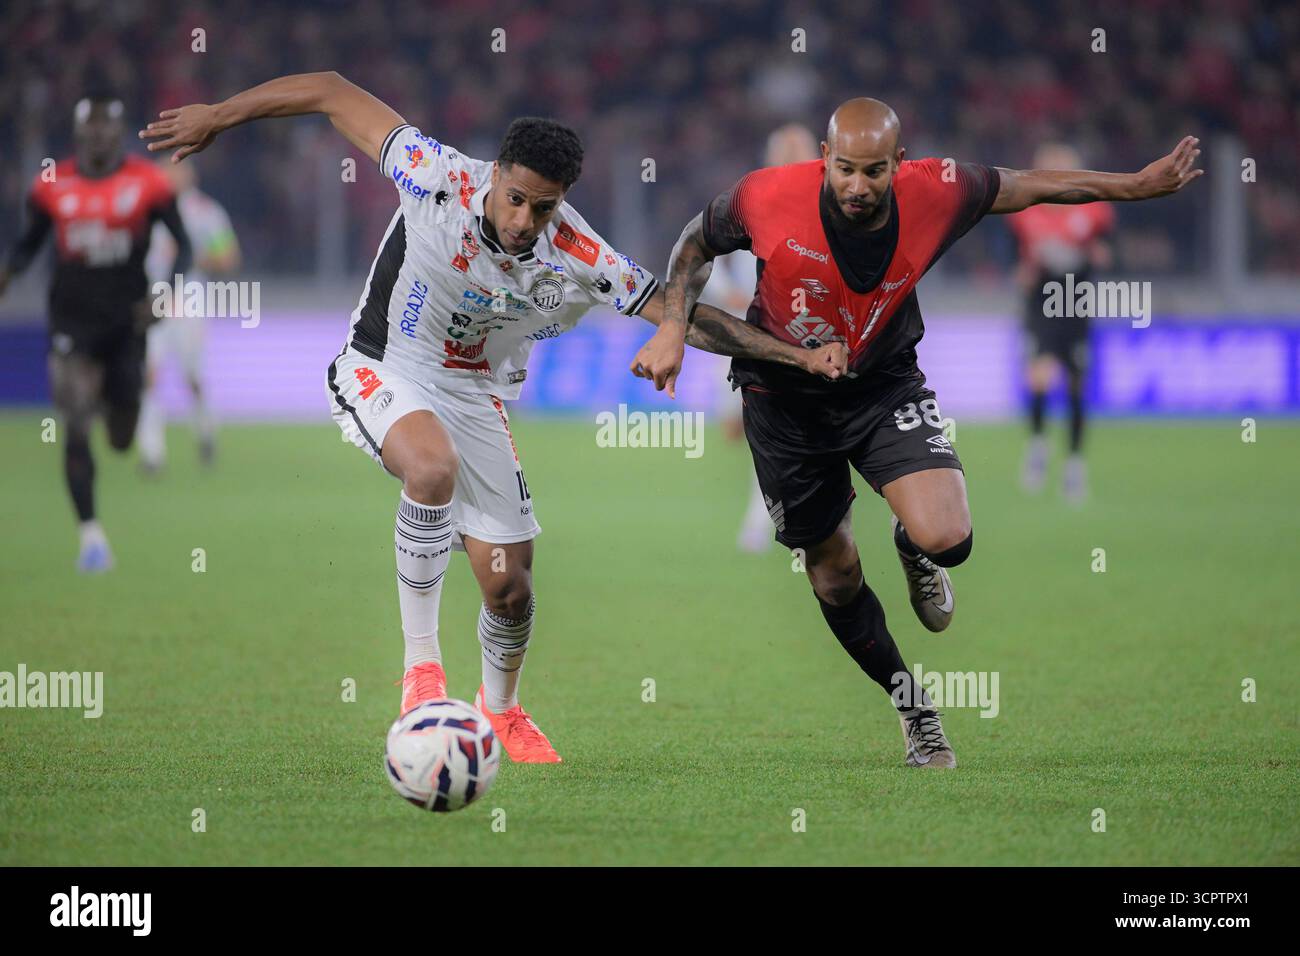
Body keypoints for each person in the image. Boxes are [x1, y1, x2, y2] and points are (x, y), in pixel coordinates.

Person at [139, 71, 844, 763]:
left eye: (543, 209)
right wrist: (219, 116)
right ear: (495, 173)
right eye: (514, 200)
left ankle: (501, 711)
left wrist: (794, 356)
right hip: (384, 364)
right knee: (430, 467)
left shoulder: (576, 252)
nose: (522, 222)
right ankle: (421, 674)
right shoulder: (435, 173)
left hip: (477, 396)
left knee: (509, 587)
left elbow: (674, 307)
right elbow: (328, 89)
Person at [657, 98, 1201, 768]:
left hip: (882, 383)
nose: (859, 186)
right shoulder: (766, 196)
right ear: (825, 160)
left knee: (949, 538)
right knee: (834, 578)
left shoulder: (937, 192)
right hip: (784, 402)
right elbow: (693, 244)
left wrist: (1136, 186)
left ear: (900, 165)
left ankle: (911, 541)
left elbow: (1030, 185)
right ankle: (914, 710)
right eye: (846, 170)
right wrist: (672, 324)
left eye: (875, 171)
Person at [0, 94, 191, 573]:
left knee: (122, 436)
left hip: (128, 323)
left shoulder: (148, 184)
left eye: (109, 127)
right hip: (71, 321)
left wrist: (163, 294)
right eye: (92, 127)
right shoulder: (49, 185)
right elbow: (29, 243)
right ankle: (91, 538)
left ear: (120, 131)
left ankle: (115, 404)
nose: (100, 135)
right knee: (76, 421)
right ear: (79, 132)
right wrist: (9, 273)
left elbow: (183, 248)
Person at [699, 123, 821, 553]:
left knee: (771, 427)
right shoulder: (749, 204)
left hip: (798, 342)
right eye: (783, 153)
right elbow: (709, 256)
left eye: (799, 153)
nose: (791, 161)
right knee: (736, 429)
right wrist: (726, 294)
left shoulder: (827, 208)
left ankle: (763, 519)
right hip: (740, 337)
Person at [1007, 144, 1114, 503]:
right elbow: (1014, 258)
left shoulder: (1094, 212)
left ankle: (1074, 465)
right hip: (1039, 306)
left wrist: (1094, 256)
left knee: (1076, 386)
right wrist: (1024, 270)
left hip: (1075, 305)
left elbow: (1109, 252)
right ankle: (1038, 447)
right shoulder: (1025, 213)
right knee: (1038, 377)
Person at [138, 158, 241, 473]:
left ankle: (206, 428)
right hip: (153, 297)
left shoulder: (206, 212)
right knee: (149, 374)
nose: (170, 175)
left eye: (176, 168)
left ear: (189, 173)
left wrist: (191, 256)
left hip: (189, 297)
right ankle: (152, 454)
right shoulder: (145, 209)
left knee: (191, 376)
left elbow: (229, 257)